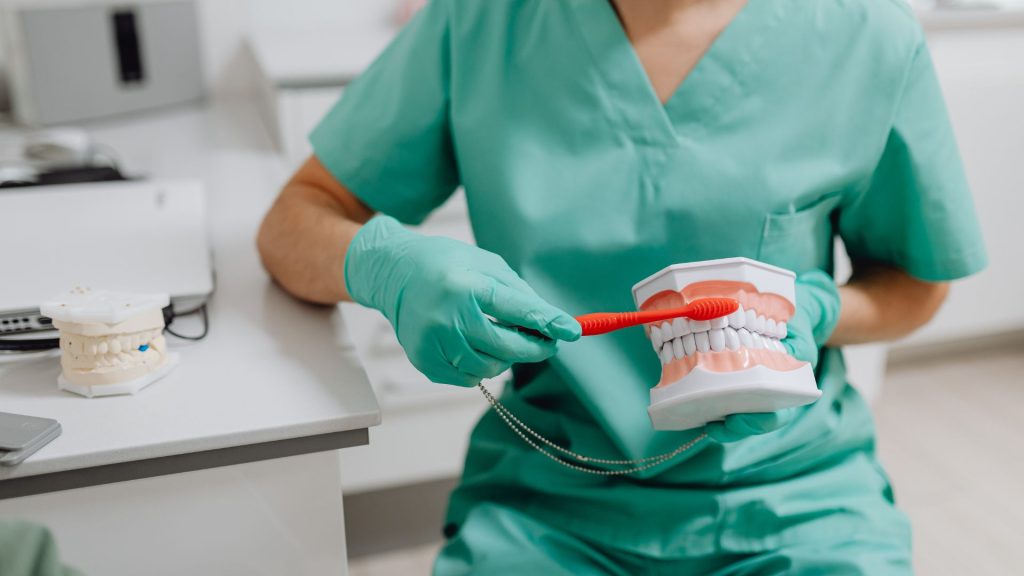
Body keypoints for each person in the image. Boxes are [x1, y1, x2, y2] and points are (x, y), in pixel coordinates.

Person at [257, 0, 987, 573]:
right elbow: (293, 222)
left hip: (797, 498)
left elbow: (916, 285)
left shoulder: (867, 34)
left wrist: (818, 311)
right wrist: (387, 269)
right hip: (552, 498)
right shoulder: (481, 19)